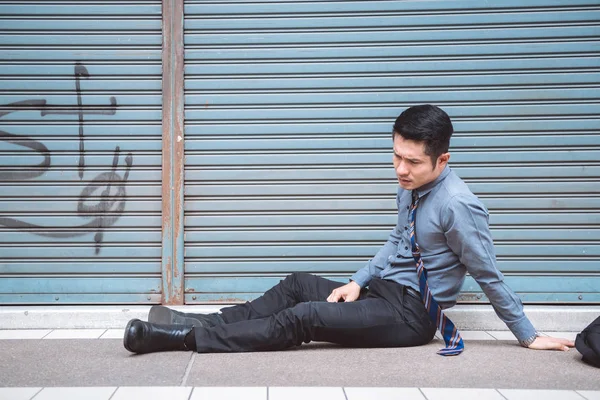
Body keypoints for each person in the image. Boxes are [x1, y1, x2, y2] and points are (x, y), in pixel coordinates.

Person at [123, 104, 574, 355]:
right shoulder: (411, 187)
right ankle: (205, 320)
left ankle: (183, 338)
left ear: (443, 160)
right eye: (395, 155)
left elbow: (488, 274)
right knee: (299, 283)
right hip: (381, 292)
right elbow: (399, 242)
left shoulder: (459, 206)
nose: (399, 169)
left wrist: (527, 333)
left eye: (412, 161)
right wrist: (357, 282)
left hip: (411, 315)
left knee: (306, 316)